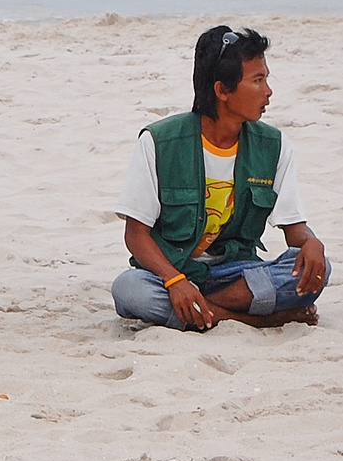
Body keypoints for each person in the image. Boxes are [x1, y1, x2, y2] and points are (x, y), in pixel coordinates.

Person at [111, 25, 330, 330]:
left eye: (266, 79)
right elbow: (135, 234)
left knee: (316, 268)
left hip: (239, 274)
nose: (268, 92)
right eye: (257, 80)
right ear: (222, 91)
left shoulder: (274, 146)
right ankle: (253, 318)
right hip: (174, 273)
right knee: (129, 290)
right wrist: (175, 281)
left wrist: (312, 244)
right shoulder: (159, 142)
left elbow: (294, 229)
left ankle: (205, 311)